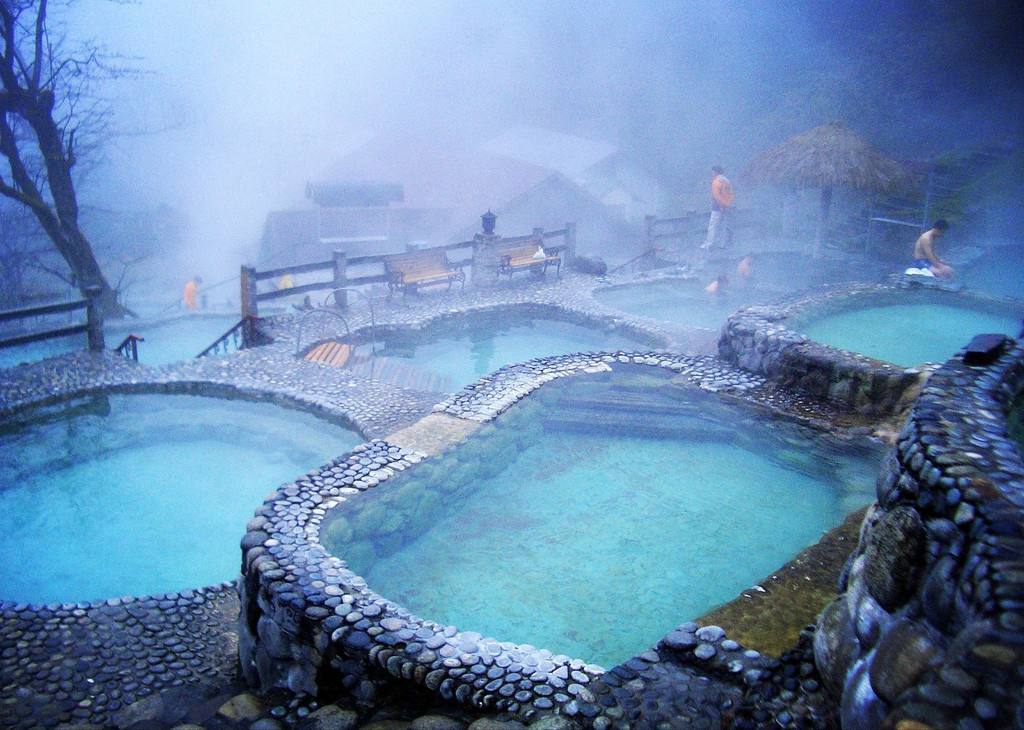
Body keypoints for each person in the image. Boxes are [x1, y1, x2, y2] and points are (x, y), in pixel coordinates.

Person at [700, 165, 734, 251]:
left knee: (713, 226)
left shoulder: (716, 182)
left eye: (712, 171)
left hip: (717, 207)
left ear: (715, 172)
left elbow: (716, 196)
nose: (711, 173)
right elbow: (731, 194)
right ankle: (724, 244)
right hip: (727, 207)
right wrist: (727, 205)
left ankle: (709, 244)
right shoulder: (727, 181)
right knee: (725, 226)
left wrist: (721, 206)